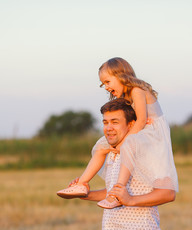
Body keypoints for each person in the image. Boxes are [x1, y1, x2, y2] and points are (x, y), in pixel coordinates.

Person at [57, 57, 178, 209]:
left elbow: (141, 121)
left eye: (107, 82)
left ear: (121, 76)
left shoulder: (137, 90)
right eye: (103, 84)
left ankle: (118, 191)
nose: (106, 87)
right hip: (140, 130)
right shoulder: (125, 96)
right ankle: (82, 183)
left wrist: (122, 143)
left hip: (152, 133)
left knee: (127, 145)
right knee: (101, 146)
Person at [73, 98, 178, 230]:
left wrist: (131, 200)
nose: (108, 128)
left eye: (115, 122)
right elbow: (115, 191)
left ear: (131, 124)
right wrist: (86, 195)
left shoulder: (146, 151)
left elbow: (168, 193)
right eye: (105, 122)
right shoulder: (110, 153)